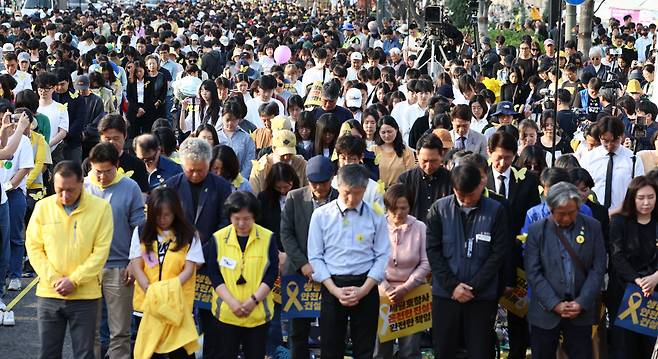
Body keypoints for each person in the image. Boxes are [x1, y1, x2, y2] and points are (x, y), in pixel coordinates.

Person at [25, 161, 113, 359]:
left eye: (70, 190)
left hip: (85, 296)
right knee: (48, 353)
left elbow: (101, 252)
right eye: (59, 190)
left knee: (84, 354)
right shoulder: (42, 207)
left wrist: (74, 280)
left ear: (82, 183)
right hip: (49, 293)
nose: (65, 196)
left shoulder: (101, 209)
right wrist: (54, 278)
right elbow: (34, 247)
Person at [426, 162, 509, 359]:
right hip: (446, 295)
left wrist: (473, 287)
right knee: (444, 350)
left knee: (480, 351)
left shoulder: (496, 210)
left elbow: (498, 254)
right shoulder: (439, 209)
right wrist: (453, 286)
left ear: (481, 185)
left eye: (470, 195)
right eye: (460, 195)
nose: (465, 201)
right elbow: (433, 251)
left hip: (481, 297)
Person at [307, 164, 390, 359]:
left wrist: (364, 289)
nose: (352, 199)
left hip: (366, 285)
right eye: (347, 193)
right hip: (332, 284)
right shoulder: (321, 215)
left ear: (365, 190)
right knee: (330, 347)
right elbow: (315, 256)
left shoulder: (376, 215)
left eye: (358, 194)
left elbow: (382, 255)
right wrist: (334, 289)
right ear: (337, 185)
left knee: (365, 347)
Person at [164, 137, 232, 359]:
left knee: (213, 324)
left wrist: (201, 252)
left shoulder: (221, 187)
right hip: (178, 264)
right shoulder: (172, 186)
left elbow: (225, 224)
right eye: (190, 170)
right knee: (180, 323)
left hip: (211, 263)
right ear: (183, 165)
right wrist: (186, 254)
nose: (194, 174)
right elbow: (165, 224)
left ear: (209, 164)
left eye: (200, 170)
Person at [524, 182, 606, 359]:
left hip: (580, 312)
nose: (567, 218)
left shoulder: (593, 227)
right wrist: (555, 304)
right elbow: (533, 272)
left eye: (572, 212)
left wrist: (582, 302)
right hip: (544, 312)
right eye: (561, 214)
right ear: (551, 208)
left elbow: (598, 268)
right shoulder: (537, 230)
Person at [85, 142, 145, 358]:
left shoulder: (130, 187)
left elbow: (140, 227)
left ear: (117, 166)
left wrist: (133, 262)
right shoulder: (82, 187)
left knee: (120, 332)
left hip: (120, 268)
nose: (101, 177)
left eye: (107, 171)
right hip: (88, 269)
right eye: (97, 171)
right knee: (89, 331)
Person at [129, 187, 202, 359]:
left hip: (177, 306)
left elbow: (189, 269)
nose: (162, 220)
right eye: (157, 215)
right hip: (147, 305)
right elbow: (136, 265)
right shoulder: (141, 232)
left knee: (180, 353)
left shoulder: (189, 235)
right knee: (148, 352)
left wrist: (167, 290)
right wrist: (149, 288)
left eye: (167, 215)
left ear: (176, 212)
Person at [205, 191, 279, 359]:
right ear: (230, 216)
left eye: (247, 219)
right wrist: (232, 303)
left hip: (258, 313)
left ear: (255, 216)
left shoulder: (267, 238)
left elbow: (271, 272)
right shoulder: (218, 238)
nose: (241, 223)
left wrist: (253, 301)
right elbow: (214, 274)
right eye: (236, 218)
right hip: (226, 313)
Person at [280, 155, 338, 358]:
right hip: (299, 272)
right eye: (314, 183)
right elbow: (286, 233)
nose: (319, 188)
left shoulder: (341, 198)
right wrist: (303, 264)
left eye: (323, 183)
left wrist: (324, 269)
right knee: (298, 330)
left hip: (331, 273)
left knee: (331, 328)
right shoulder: (295, 197)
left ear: (332, 179)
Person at [373, 184, 430, 359]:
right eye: (393, 208)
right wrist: (386, 288)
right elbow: (369, 260)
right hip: (382, 292)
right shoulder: (377, 225)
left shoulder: (420, 227)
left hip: (412, 292)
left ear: (410, 207)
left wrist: (407, 286)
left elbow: (426, 262)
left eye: (403, 208)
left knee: (410, 350)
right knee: (380, 350)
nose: (398, 213)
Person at [609, 176, 658, 359]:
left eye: (651, 197)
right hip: (625, 291)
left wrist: (655, 278)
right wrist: (638, 281)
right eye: (641, 198)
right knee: (624, 347)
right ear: (632, 198)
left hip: (654, 292)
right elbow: (617, 256)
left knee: (650, 346)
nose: (646, 203)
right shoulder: (619, 222)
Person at [580, 116, 644, 211]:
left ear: (621, 136)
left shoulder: (632, 159)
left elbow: (639, 189)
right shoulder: (589, 158)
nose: (610, 145)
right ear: (599, 137)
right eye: (605, 141)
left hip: (623, 213)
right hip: (594, 212)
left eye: (614, 140)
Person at [398, 133, 452, 223]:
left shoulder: (451, 180)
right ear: (417, 155)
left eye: (433, 161)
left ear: (441, 155)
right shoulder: (405, 180)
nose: (428, 166)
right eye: (425, 161)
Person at [249, 130, 308, 194]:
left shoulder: (302, 164)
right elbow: (253, 194)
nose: (286, 158)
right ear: (273, 149)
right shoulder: (260, 168)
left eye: (290, 154)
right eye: (283, 155)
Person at [371, 116, 415, 188]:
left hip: (399, 192)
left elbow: (410, 176)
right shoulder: (373, 150)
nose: (387, 135)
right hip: (377, 193)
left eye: (389, 131)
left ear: (396, 130)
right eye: (383, 132)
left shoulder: (406, 151)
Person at [217, 102, 256, 179]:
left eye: (234, 120)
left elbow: (249, 162)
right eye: (227, 120)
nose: (230, 123)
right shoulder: (216, 135)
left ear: (239, 119)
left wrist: (240, 180)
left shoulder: (246, 138)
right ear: (222, 117)